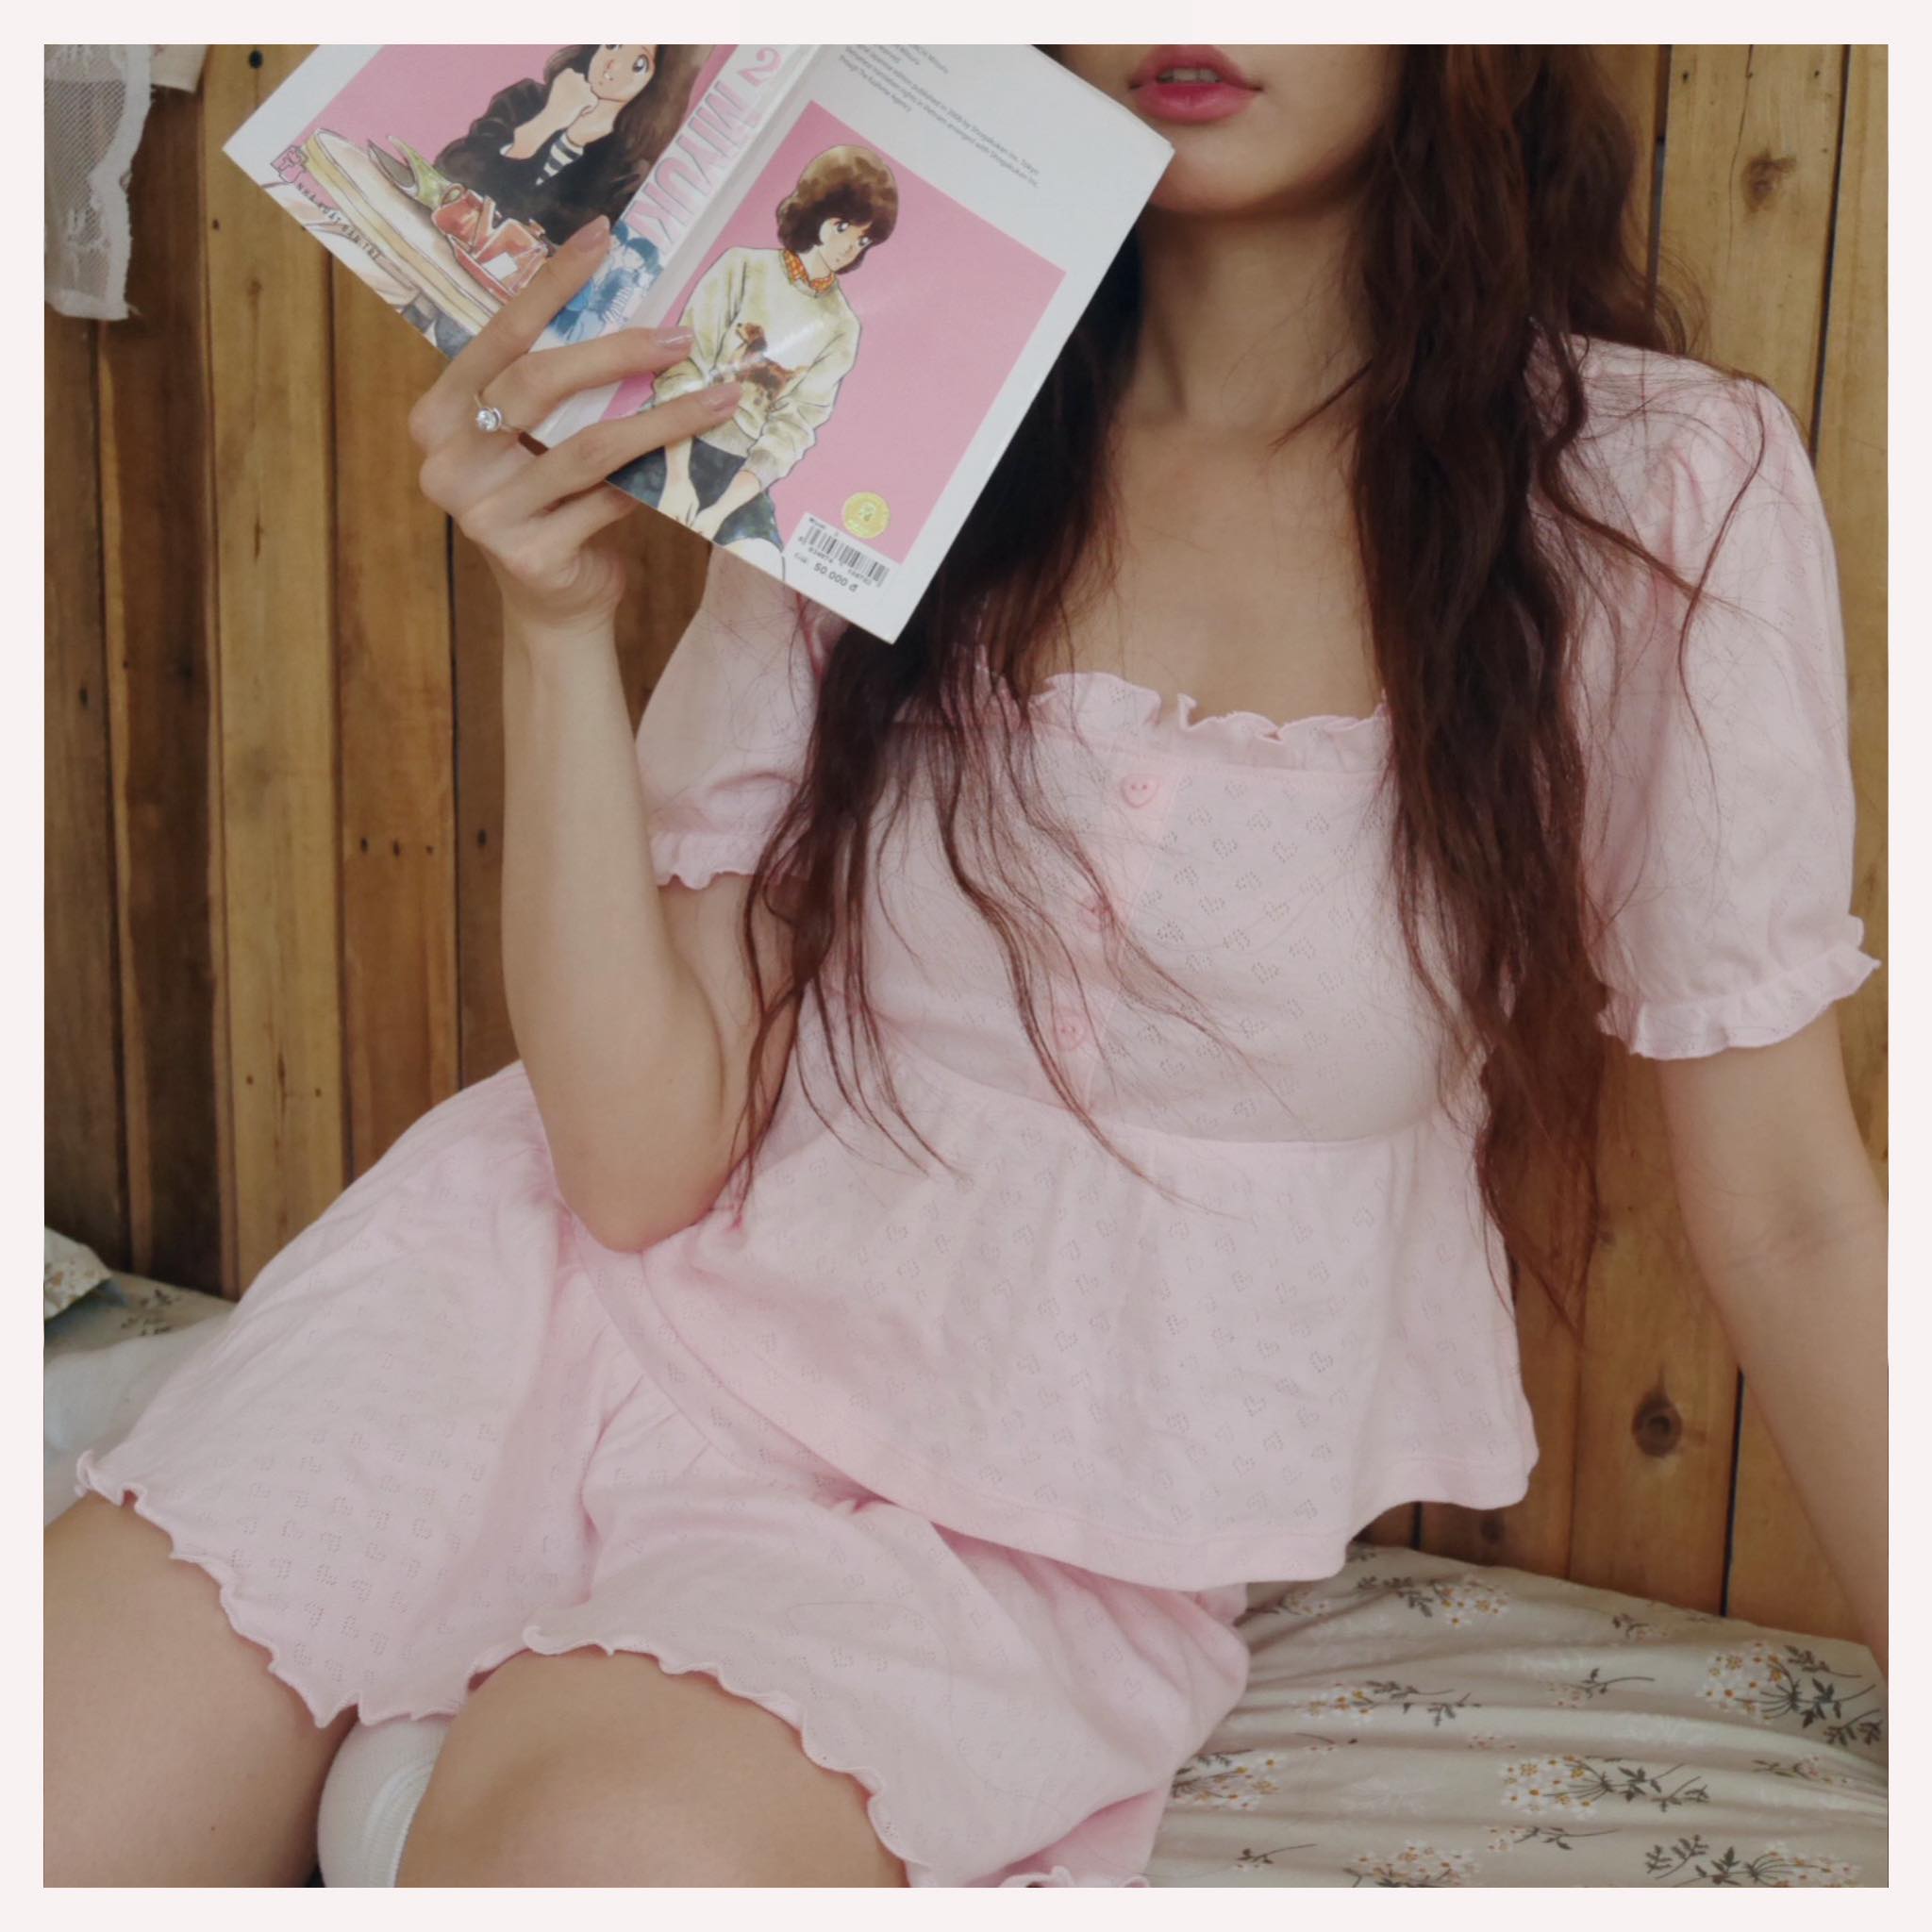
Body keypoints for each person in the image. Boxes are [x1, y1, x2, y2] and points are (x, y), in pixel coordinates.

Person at [45, 45, 1886, 1888]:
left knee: (595, 1854)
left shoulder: (1647, 491)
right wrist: (554, 626)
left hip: (1010, 1525)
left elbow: (1796, 1211)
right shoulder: (888, 394)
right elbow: (634, 1165)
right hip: (536, 1316)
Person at [614, 144, 898, 569]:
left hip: (742, 475)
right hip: (671, 439)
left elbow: (795, 426)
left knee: (764, 560)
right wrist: (677, 479)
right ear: (816, 211)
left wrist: (719, 512)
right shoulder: (742, 267)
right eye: (842, 227)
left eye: (863, 239)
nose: (849, 248)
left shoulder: (842, 326)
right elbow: (685, 367)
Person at [433, 43, 709, 249]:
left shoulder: (627, 171)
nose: (612, 65)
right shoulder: (526, 98)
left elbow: (559, 239)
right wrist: (546, 122)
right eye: (613, 45)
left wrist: (571, 139)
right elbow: (450, 172)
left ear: (657, 82)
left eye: (638, 64)